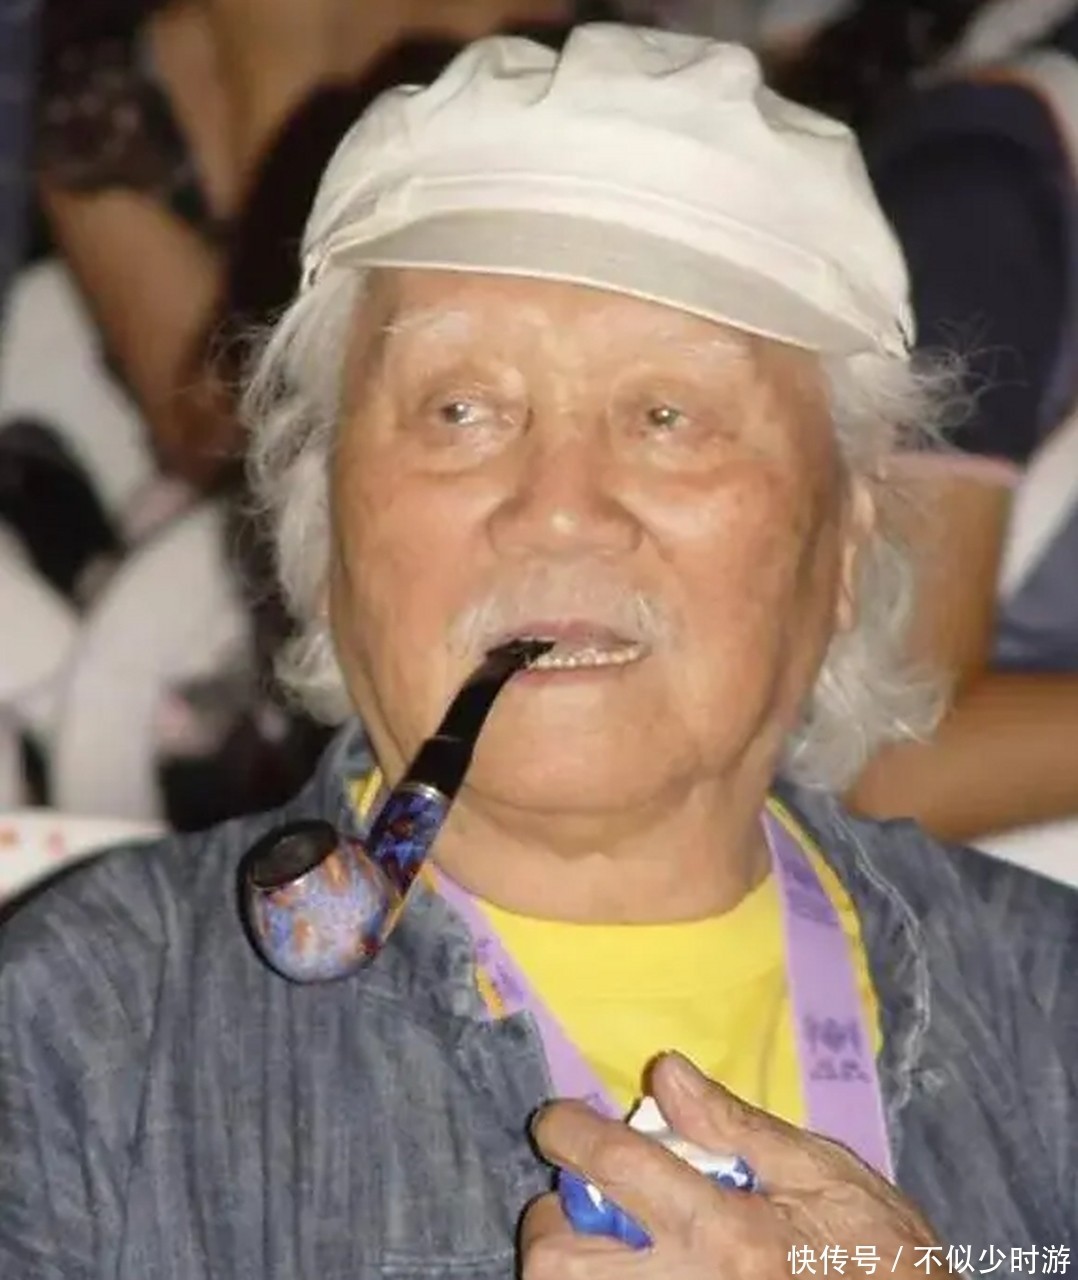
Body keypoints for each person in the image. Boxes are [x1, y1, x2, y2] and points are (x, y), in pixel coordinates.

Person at [1, 23, 1075, 1277]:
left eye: (668, 414)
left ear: (844, 541)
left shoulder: (1052, 1011)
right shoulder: (88, 1032)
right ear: (321, 521)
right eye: (460, 410)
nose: (559, 507)